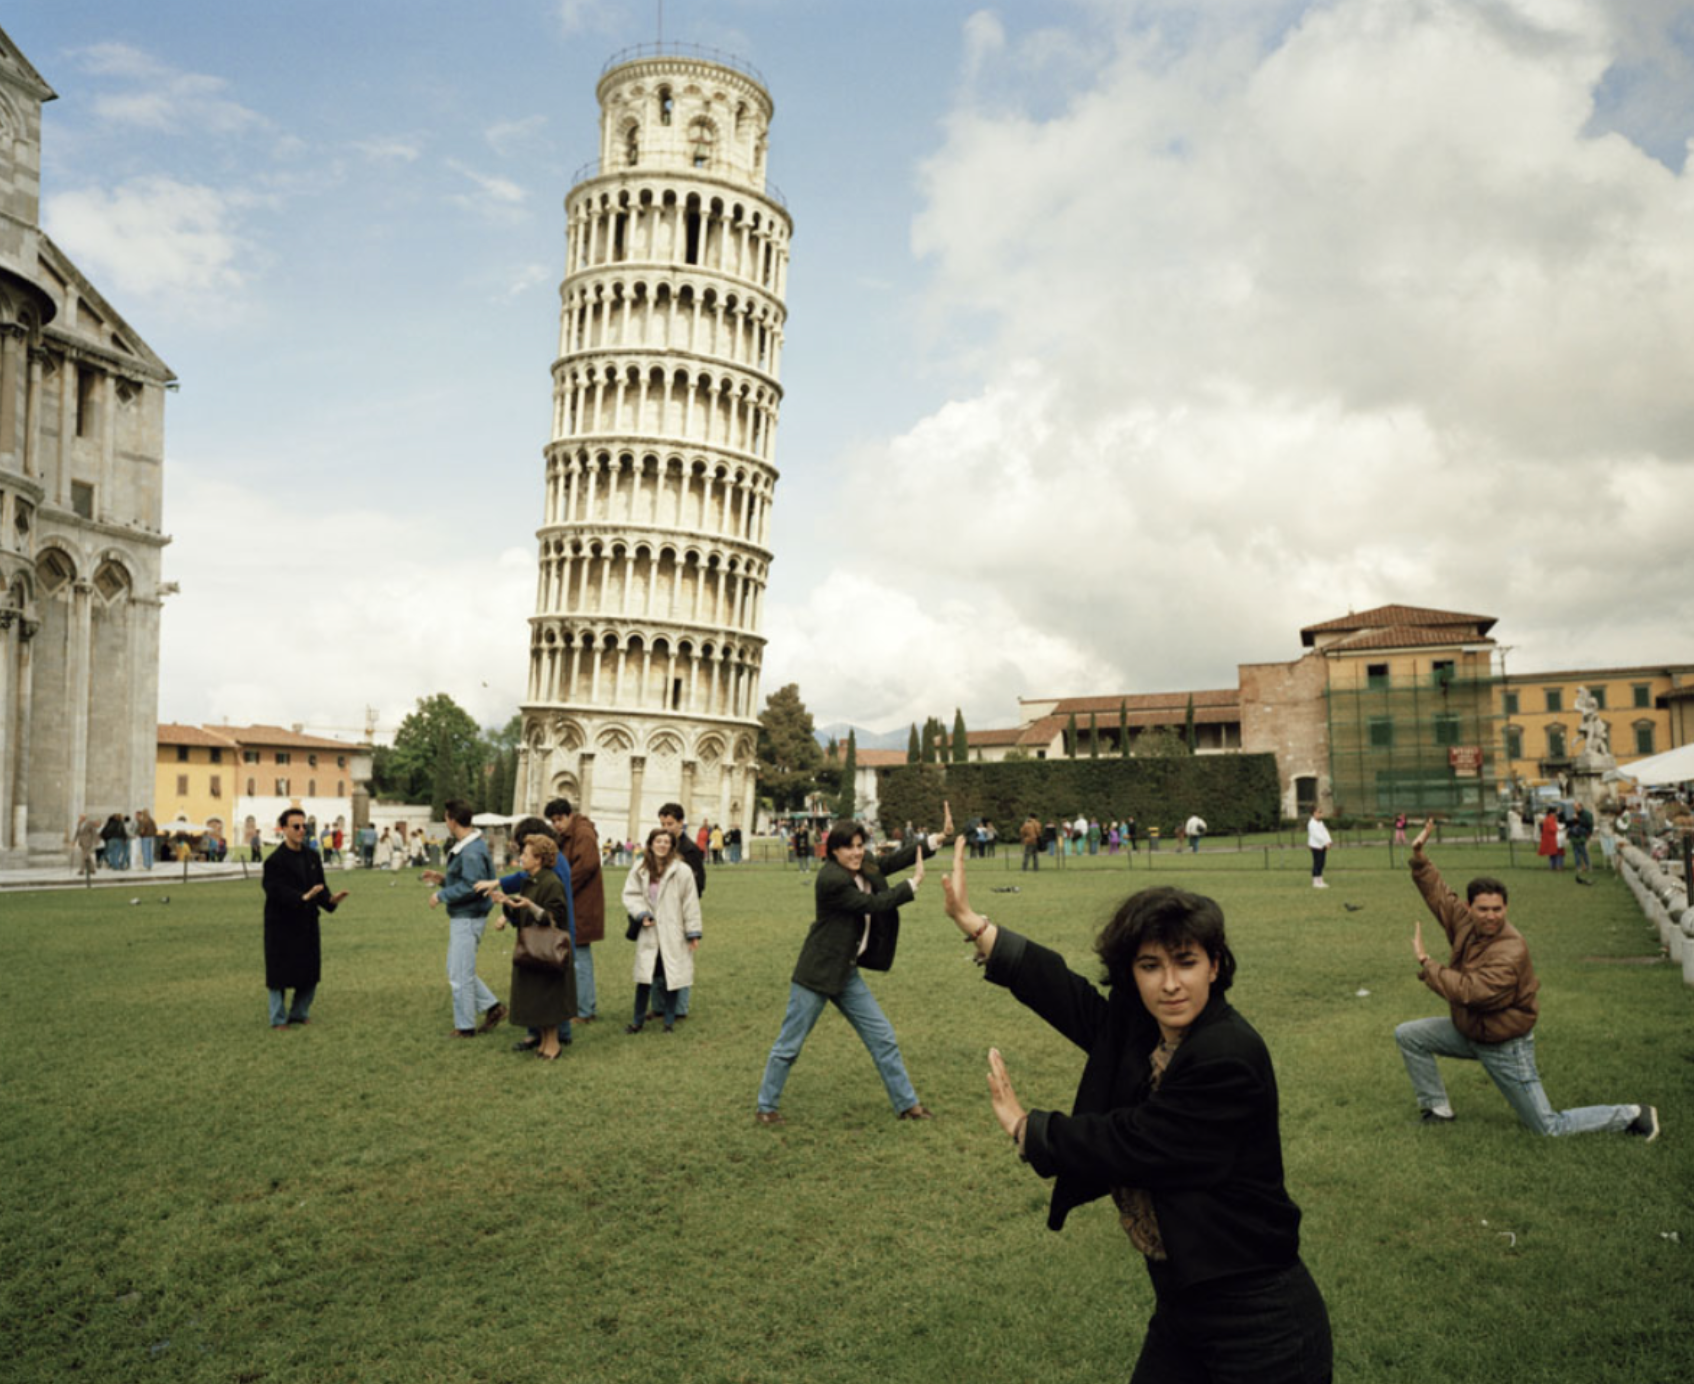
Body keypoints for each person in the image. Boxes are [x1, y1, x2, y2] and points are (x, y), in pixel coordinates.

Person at [938, 836, 1332, 1382]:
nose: (1170, 983)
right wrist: (974, 923)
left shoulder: (1227, 1056)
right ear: (1133, 975)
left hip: (1260, 1323)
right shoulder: (1153, 1033)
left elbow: (1137, 1141)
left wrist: (1032, 1131)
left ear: (1214, 966)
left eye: (1186, 962)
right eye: (1150, 966)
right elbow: (1073, 1000)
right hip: (1184, 1309)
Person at [1393, 819, 1659, 1139]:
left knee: (1548, 1127)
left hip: (1505, 1045)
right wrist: (1419, 858)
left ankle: (1633, 1114)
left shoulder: (1511, 949)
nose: (1491, 916)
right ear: (1470, 908)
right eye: (1483, 909)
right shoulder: (1466, 923)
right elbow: (1440, 896)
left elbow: (1471, 992)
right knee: (1409, 1035)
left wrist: (1426, 962)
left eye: (1497, 909)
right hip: (1471, 1030)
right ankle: (1437, 1110)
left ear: (1506, 908)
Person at [754, 808, 951, 1125]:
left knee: (882, 1037)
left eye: (860, 845)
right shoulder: (831, 879)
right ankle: (766, 1107)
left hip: (847, 972)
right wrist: (911, 886)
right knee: (789, 1045)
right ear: (834, 850)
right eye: (850, 847)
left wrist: (933, 841)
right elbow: (872, 904)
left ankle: (907, 1105)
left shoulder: (864, 862)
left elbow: (890, 862)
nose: (857, 852)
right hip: (817, 973)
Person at [421, 799, 505, 1039]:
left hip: (468, 917)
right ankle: (492, 1007)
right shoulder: (472, 847)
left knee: (460, 974)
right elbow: (469, 882)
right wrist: (442, 879)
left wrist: (441, 894)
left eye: (446, 818)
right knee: (457, 970)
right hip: (468, 916)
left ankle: (465, 1026)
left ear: (452, 820)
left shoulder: (470, 851)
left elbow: (472, 886)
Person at [489, 829, 576, 1060]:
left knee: (549, 997)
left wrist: (530, 906)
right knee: (539, 996)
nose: (521, 858)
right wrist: (506, 903)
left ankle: (553, 1044)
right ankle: (544, 1043)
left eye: (526, 854)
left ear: (538, 859)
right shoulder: (530, 881)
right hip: (533, 948)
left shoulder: (552, 882)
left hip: (548, 950)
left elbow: (555, 918)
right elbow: (522, 916)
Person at [262, 807, 347, 1029]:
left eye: (304, 826)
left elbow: (320, 888)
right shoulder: (274, 861)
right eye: (296, 826)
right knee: (279, 974)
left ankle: (299, 1012)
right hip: (281, 924)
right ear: (284, 829)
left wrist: (331, 900)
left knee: (309, 971)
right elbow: (273, 889)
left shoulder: (312, 857)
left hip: (307, 922)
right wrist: (300, 897)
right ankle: (278, 1018)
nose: (302, 830)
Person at [621, 828, 702, 1033]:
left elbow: (690, 902)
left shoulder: (682, 871)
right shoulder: (640, 868)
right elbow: (631, 894)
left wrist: (693, 932)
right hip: (650, 929)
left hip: (673, 929)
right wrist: (641, 913)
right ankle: (637, 1020)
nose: (662, 845)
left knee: (671, 975)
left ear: (672, 846)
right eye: (659, 841)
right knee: (644, 977)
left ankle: (668, 1021)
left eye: (667, 842)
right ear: (651, 843)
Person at [548, 797, 604, 1025]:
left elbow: (588, 865)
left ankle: (584, 1009)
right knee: (576, 956)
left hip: (582, 905)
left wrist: (562, 887)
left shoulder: (583, 833)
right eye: (553, 821)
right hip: (576, 902)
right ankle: (580, 1006)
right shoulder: (571, 834)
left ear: (569, 815)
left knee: (580, 957)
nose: (557, 825)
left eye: (560, 819)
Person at [657, 803, 707, 1021]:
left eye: (670, 824)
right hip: (661, 910)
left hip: (681, 912)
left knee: (681, 959)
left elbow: (699, 884)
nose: (666, 828)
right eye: (662, 824)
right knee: (657, 959)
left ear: (680, 822)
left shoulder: (690, 850)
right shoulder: (660, 846)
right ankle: (658, 1006)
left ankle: (679, 1008)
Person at [1307, 808, 1331, 889]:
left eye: (1321, 812)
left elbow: (1325, 832)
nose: (1321, 814)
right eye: (1319, 812)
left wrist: (1329, 841)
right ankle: (1316, 882)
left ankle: (1320, 881)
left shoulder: (1321, 822)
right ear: (1314, 813)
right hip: (1316, 846)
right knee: (1317, 863)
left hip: (1322, 845)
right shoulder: (1311, 823)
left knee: (1322, 863)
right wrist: (1325, 843)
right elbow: (1316, 835)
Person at [1568, 802, 1594, 876]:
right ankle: (1581, 867)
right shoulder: (1576, 814)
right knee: (1577, 854)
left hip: (1585, 835)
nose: (1574, 809)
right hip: (1576, 838)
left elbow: (1589, 824)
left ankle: (1588, 866)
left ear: (1580, 807)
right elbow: (1572, 825)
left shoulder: (1587, 814)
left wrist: (1578, 819)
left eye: (1576, 808)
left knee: (1585, 853)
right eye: (1574, 808)